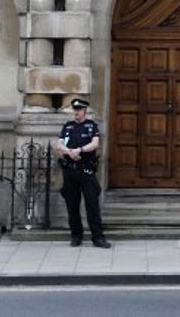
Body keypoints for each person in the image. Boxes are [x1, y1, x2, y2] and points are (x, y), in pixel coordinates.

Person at [57, 97, 111, 248]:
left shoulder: (91, 126)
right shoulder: (68, 127)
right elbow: (59, 144)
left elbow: (95, 144)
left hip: (86, 169)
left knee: (92, 204)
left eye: (79, 110)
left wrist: (80, 150)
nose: (76, 113)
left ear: (84, 111)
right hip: (70, 170)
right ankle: (76, 235)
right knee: (72, 205)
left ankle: (98, 237)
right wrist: (70, 152)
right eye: (74, 110)